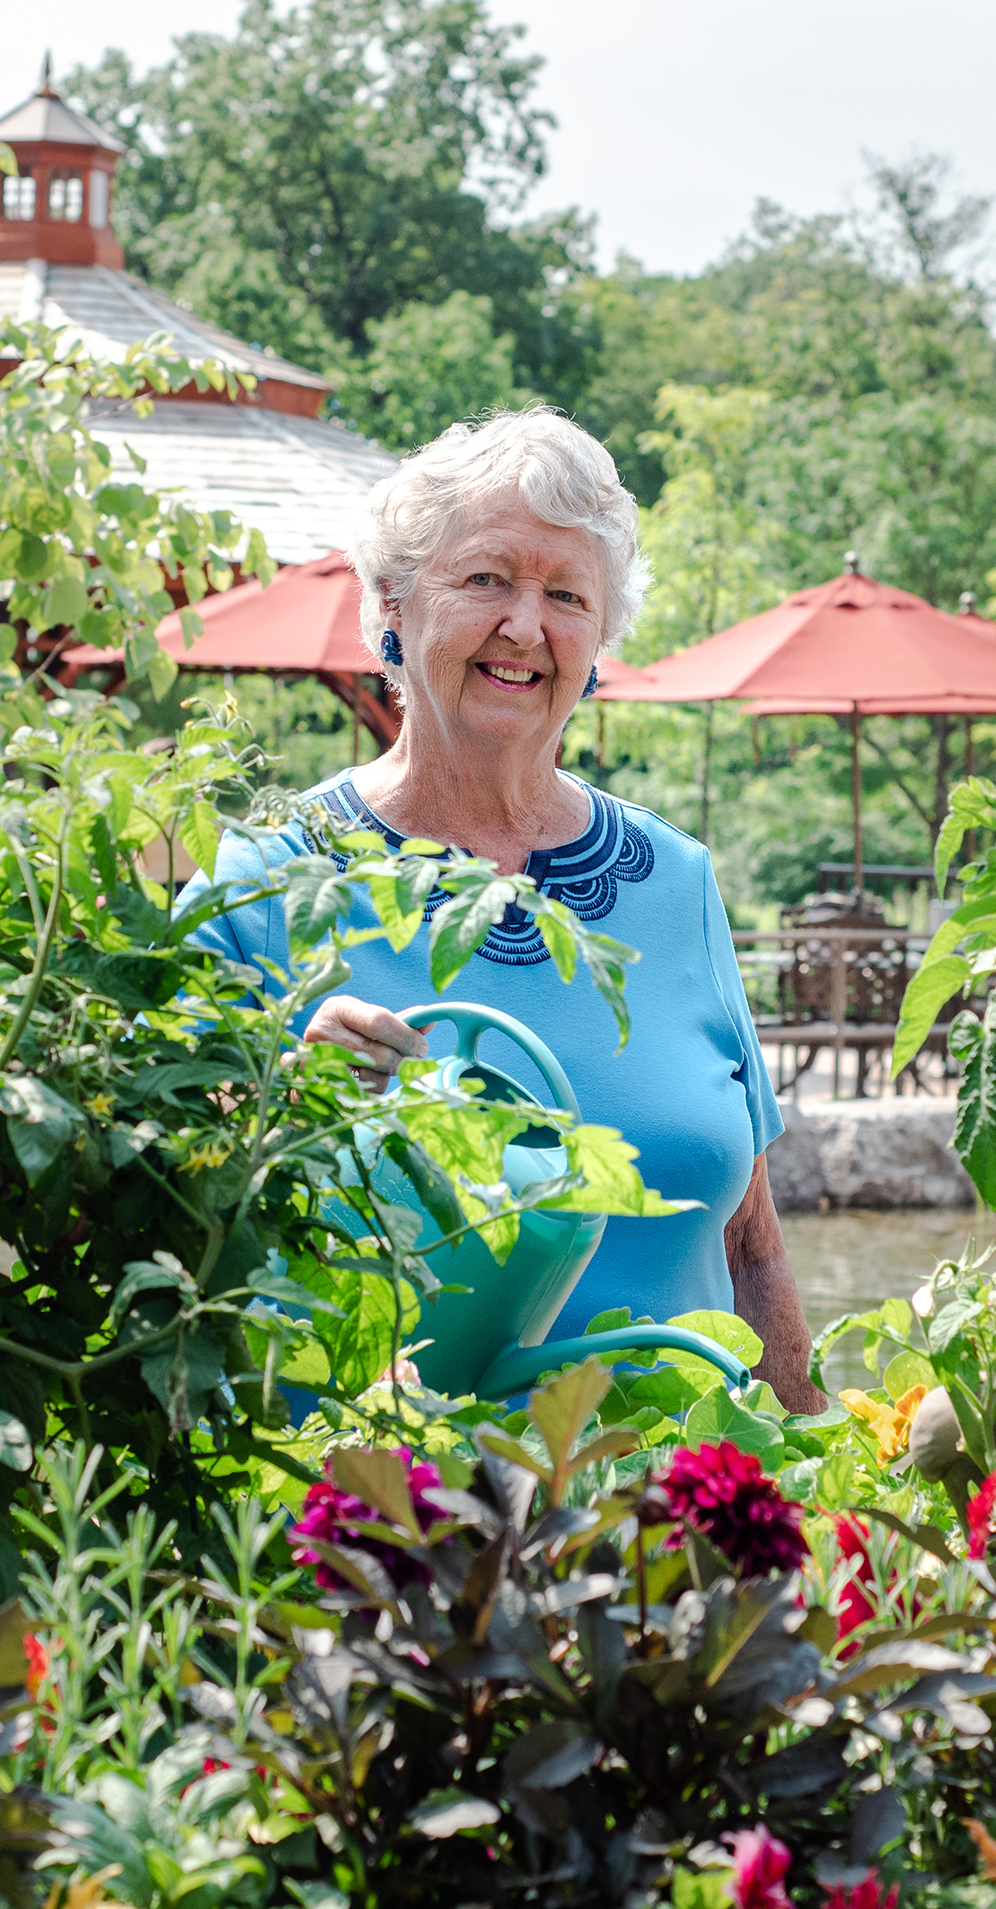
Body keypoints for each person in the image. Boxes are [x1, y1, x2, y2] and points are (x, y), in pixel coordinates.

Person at [183, 408, 823, 1412]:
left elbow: (752, 1242)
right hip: (385, 1527)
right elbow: (152, 1198)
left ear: (599, 639)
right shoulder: (267, 877)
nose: (524, 625)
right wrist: (277, 1097)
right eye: (486, 578)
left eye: (567, 595)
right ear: (393, 601)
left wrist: (825, 1499)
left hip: (687, 1538)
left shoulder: (674, 881)